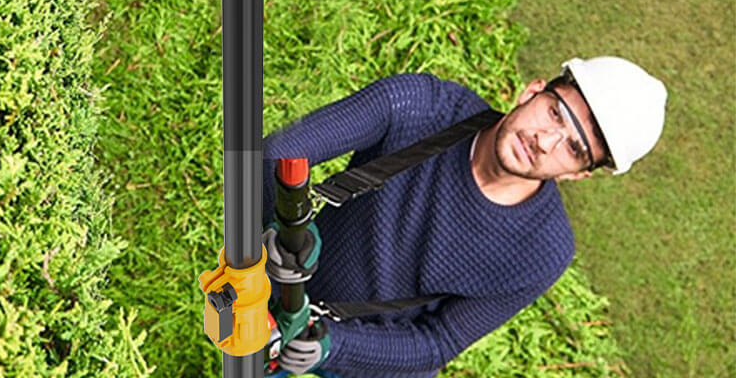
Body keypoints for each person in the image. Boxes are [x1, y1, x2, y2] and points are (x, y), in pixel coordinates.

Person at [260, 56, 667, 378]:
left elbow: (439, 341)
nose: (545, 141)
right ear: (533, 92)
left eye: (574, 149)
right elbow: (272, 154)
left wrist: (333, 346)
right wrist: (276, 228)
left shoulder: (543, 251)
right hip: (281, 300)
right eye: (556, 114)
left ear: (575, 174)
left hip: (377, 361)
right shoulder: (419, 107)